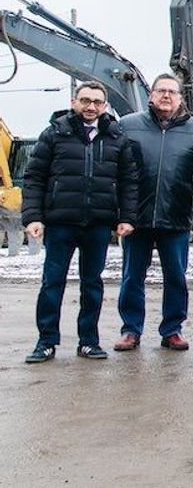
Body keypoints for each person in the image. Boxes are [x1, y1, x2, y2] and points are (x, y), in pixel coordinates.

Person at [20, 81, 139, 362]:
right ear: (74, 101)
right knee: (52, 283)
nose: (91, 107)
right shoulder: (54, 134)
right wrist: (33, 216)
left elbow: (128, 182)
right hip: (61, 222)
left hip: (98, 223)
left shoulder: (116, 138)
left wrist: (126, 217)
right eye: (85, 100)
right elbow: (34, 177)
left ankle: (89, 341)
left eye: (97, 102)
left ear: (105, 106)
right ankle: (46, 341)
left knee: (92, 284)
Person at [114, 74, 193, 352]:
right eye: (161, 91)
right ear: (151, 95)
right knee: (132, 276)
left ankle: (172, 329)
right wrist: (120, 213)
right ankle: (131, 330)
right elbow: (116, 172)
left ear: (181, 97)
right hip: (137, 218)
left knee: (176, 277)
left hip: (176, 218)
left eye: (172, 92)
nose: (166, 96)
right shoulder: (127, 126)